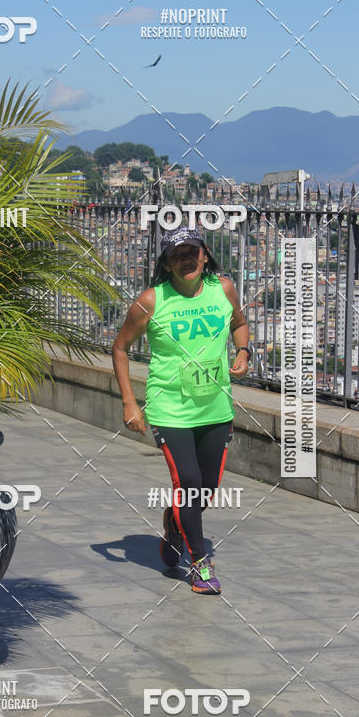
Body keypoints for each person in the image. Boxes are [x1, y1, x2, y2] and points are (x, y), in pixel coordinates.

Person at [112, 227, 251, 594]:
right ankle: (201, 566)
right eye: (177, 255)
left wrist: (243, 351)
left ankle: (175, 524)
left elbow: (239, 324)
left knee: (206, 490)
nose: (186, 259)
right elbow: (121, 347)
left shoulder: (223, 289)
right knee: (188, 484)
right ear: (167, 264)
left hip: (216, 408)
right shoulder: (152, 301)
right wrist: (130, 402)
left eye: (192, 252)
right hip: (169, 409)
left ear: (205, 254)